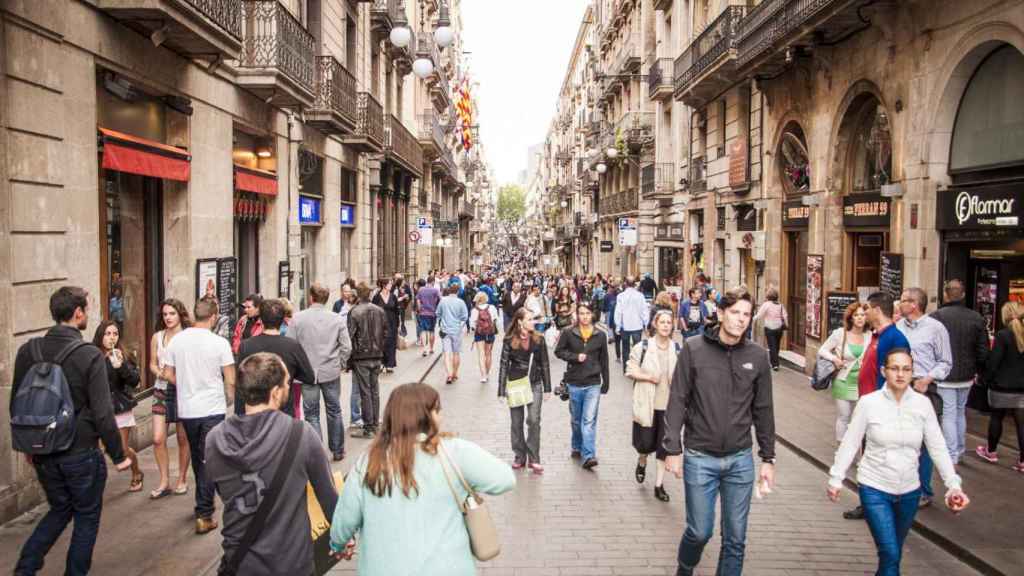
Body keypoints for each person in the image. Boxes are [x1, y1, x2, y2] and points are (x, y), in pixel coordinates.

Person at [329, 383, 515, 575]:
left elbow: (345, 519)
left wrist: (338, 544)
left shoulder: (369, 461)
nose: (441, 417)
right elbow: (505, 478)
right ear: (426, 416)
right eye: (437, 411)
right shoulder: (452, 452)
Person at [12, 287, 132, 576]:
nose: (87, 315)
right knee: (86, 516)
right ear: (78, 313)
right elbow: (104, 414)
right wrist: (119, 455)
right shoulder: (89, 355)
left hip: (44, 449)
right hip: (80, 451)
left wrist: (29, 446)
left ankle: (26, 567)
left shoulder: (29, 350)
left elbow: (17, 401)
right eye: (86, 310)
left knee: (60, 507)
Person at [663, 287, 775, 576]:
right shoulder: (694, 348)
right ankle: (685, 567)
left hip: (740, 460)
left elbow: (763, 410)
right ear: (722, 313)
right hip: (700, 457)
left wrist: (768, 458)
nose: (740, 319)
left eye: (746, 314)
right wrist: (672, 448)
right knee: (700, 531)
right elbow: (677, 399)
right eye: (735, 312)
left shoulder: (758, 356)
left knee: (736, 539)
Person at [828, 348, 969, 576]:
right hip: (874, 488)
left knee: (892, 555)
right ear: (884, 371)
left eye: (906, 369)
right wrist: (836, 477)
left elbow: (937, 446)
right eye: (895, 368)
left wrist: (953, 485)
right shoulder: (868, 403)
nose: (901, 374)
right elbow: (851, 442)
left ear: (912, 372)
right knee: (890, 553)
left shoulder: (922, 405)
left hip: (909, 492)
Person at [206, 352, 339, 576]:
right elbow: (329, 499)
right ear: (275, 392)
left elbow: (221, 490)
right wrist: (342, 537)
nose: (288, 387)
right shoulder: (301, 434)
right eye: (287, 383)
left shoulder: (214, 439)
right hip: (292, 563)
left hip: (240, 562)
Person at [161, 297, 236, 534]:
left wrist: (184, 383)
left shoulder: (177, 341)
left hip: (188, 409)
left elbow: (167, 374)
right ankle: (204, 512)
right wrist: (229, 398)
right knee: (210, 458)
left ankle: (203, 503)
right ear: (213, 317)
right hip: (212, 408)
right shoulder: (219, 343)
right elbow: (230, 379)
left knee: (198, 456)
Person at [842, 291, 912, 521]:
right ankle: (870, 504)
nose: (865, 313)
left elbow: (899, 376)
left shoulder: (895, 339)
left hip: (882, 410)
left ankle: (882, 505)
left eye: (868, 309)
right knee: (869, 458)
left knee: (878, 459)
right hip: (868, 406)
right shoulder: (876, 336)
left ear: (877, 310)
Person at [896, 287, 952, 508]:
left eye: (903, 301)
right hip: (900, 388)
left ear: (914, 304)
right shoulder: (898, 327)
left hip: (924, 388)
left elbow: (946, 362)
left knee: (926, 442)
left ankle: (923, 490)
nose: (899, 304)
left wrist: (927, 379)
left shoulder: (935, 328)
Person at [288, 283, 353, 461]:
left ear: (311, 298)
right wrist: (339, 363)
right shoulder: (336, 319)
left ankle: (317, 454)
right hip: (330, 370)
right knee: (334, 410)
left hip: (307, 372)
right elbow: (347, 347)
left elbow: (290, 346)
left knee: (311, 414)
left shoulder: (297, 319)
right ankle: (338, 449)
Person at [930, 279, 989, 464]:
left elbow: (930, 347)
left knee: (948, 413)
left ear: (946, 294)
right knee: (959, 411)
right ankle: (959, 449)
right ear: (963, 294)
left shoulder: (936, 317)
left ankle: (951, 453)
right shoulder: (976, 317)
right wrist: (979, 370)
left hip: (945, 373)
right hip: (967, 374)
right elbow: (983, 350)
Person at [626, 309, 679, 502]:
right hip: (647, 403)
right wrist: (648, 377)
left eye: (668, 322)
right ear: (655, 324)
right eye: (662, 322)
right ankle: (641, 461)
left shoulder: (677, 348)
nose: (665, 325)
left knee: (662, 447)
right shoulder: (643, 347)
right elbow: (630, 369)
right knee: (646, 445)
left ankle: (659, 485)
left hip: (668, 407)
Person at [238, 298, 316, 420]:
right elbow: (309, 377)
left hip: (254, 411)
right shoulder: (292, 346)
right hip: (283, 411)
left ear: (261, 319)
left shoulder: (246, 345)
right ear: (282, 319)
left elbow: (240, 381)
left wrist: (239, 414)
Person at [555, 303, 611, 469]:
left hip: (593, 382)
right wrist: (574, 357)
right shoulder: (568, 332)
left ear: (592, 315)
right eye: (581, 313)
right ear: (577, 315)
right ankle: (576, 445)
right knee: (576, 420)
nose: (585, 316)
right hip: (574, 382)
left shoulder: (600, 335)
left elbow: (604, 360)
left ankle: (588, 455)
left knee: (589, 420)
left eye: (587, 313)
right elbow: (558, 351)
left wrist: (606, 382)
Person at [497, 307, 552, 473]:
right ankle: (519, 455)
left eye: (533, 319)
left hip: (534, 383)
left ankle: (534, 458)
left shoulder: (539, 339)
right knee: (516, 422)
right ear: (520, 322)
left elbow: (544, 364)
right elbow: (503, 365)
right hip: (516, 384)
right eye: (529, 319)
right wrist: (501, 390)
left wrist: (547, 387)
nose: (532, 322)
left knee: (534, 420)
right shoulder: (509, 340)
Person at [148, 298, 192, 499]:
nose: (168, 318)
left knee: (183, 438)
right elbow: (152, 363)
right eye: (165, 314)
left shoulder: (188, 336)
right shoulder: (157, 337)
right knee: (158, 439)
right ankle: (164, 481)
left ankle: (182, 478)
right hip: (161, 390)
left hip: (183, 391)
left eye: (172, 313)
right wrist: (158, 372)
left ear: (180, 314)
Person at [93, 320, 143, 492]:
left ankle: (136, 472)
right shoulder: (93, 355)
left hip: (119, 406)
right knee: (99, 448)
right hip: (100, 409)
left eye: (115, 334)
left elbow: (135, 381)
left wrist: (121, 366)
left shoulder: (123, 354)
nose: (112, 337)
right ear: (100, 336)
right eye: (108, 333)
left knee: (121, 448)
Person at [977, 301, 1024, 470]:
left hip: (1001, 386)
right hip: (1022, 388)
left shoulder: (1003, 335)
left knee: (996, 418)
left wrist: (984, 379)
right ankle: (1022, 462)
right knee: (1022, 424)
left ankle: (991, 452)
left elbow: (993, 362)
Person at [817, 302, 871, 443]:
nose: (860, 318)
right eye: (856, 315)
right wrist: (834, 358)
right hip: (843, 380)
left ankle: (857, 451)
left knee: (859, 418)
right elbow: (822, 350)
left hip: (862, 383)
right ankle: (841, 448)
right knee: (844, 416)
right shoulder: (840, 334)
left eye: (863, 315)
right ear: (851, 318)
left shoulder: (869, 336)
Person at [348, 282, 387, 439]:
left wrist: (349, 358)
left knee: (365, 391)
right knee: (374, 390)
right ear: (369, 294)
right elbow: (385, 333)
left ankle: (369, 426)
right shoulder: (379, 311)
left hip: (361, 357)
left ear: (358, 294)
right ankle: (374, 424)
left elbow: (350, 336)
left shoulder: (355, 312)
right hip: (376, 355)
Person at [437, 284, 470, 385]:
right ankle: (455, 373)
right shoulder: (461, 302)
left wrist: (443, 319)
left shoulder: (443, 301)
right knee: (456, 353)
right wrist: (460, 325)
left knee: (447, 353)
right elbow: (465, 317)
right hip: (456, 331)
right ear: (458, 292)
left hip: (445, 330)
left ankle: (449, 374)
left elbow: (438, 313)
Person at [614, 277, 649, 372]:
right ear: (634, 284)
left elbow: (618, 312)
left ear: (625, 283)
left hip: (625, 326)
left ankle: (626, 369)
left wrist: (618, 325)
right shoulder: (640, 296)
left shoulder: (621, 296)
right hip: (637, 326)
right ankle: (636, 368)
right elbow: (644, 311)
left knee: (625, 348)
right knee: (637, 348)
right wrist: (646, 323)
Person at [469, 292, 502, 384]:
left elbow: (472, 324)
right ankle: (487, 373)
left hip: (479, 334)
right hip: (490, 333)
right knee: (488, 354)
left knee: (481, 354)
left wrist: (475, 328)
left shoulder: (474, 310)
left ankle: (483, 375)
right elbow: (496, 320)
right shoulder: (492, 308)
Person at [753, 287, 787, 371]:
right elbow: (785, 316)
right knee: (777, 345)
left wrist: (752, 319)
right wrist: (786, 324)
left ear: (768, 296)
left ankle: (775, 364)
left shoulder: (766, 304)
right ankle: (774, 362)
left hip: (770, 328)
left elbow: (759, 315)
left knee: (772, 346)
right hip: (779, 328)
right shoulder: (780, 305)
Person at [372, 278, 400, 375]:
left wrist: (398, 324)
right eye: (389, 284)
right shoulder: (376, 297)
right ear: (384, 285)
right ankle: (381, 362)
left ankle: (390, 364)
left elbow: (397, 311)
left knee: (391, 343)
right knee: (381, 343)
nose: (391, 285)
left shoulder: (393, 297)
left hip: (392, 323)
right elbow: (373, 312)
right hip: (380, 324)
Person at [416, 275, 442, 357]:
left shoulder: (421, 289)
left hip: (423, 313)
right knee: (431, 331)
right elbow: (440, 299)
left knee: (423, 331)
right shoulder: (435, 290)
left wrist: (420, 309)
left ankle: (424, 349)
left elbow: (418, 300)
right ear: (433, 282)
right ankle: (431, 348)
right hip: (432, 313)